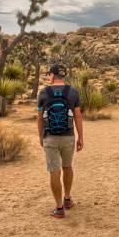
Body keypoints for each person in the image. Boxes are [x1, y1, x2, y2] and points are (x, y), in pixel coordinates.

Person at [37, 64, 84, 219]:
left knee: (54, 171)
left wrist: (40, 137)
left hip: (50, 136)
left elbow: (39, 118)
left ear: (52, 75)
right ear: (64, 75)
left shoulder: (43, 93)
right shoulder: (73, 92)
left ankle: (59, 208)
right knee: (67, 167)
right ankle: (68, 199)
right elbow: (77, 115)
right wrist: (80, 137)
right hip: (68, 136)